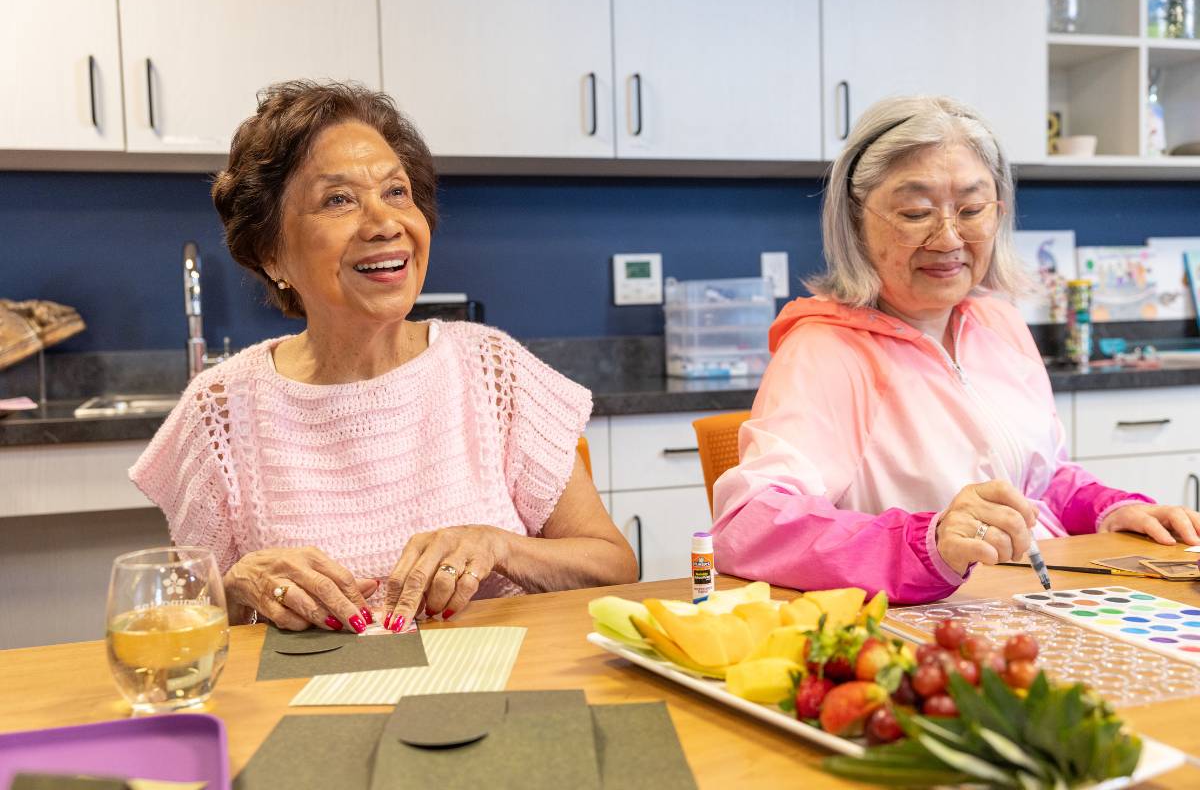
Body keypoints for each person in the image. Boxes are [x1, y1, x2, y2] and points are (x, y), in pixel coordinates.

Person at [131, 81, 637, 633]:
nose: (384, 223)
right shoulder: (220, 407)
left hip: (501, 683)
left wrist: (501, 548)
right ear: (270, 251)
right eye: (339, 199)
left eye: (396, 192)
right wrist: (236, 586)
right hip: (310, 703)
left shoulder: (493, 370)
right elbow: (179, 609)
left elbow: (613, 566)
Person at [711, 95, 1200, 604]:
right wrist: (928, 543)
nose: (948, 239)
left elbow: (1038, 478)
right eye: (916, 212)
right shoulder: (828, 351)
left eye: (971, 210)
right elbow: (749, 525)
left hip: (1032, 605)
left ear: (999, 213)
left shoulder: (998, 321)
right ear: (855, 222)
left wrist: (1107, 509)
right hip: (927, 632)